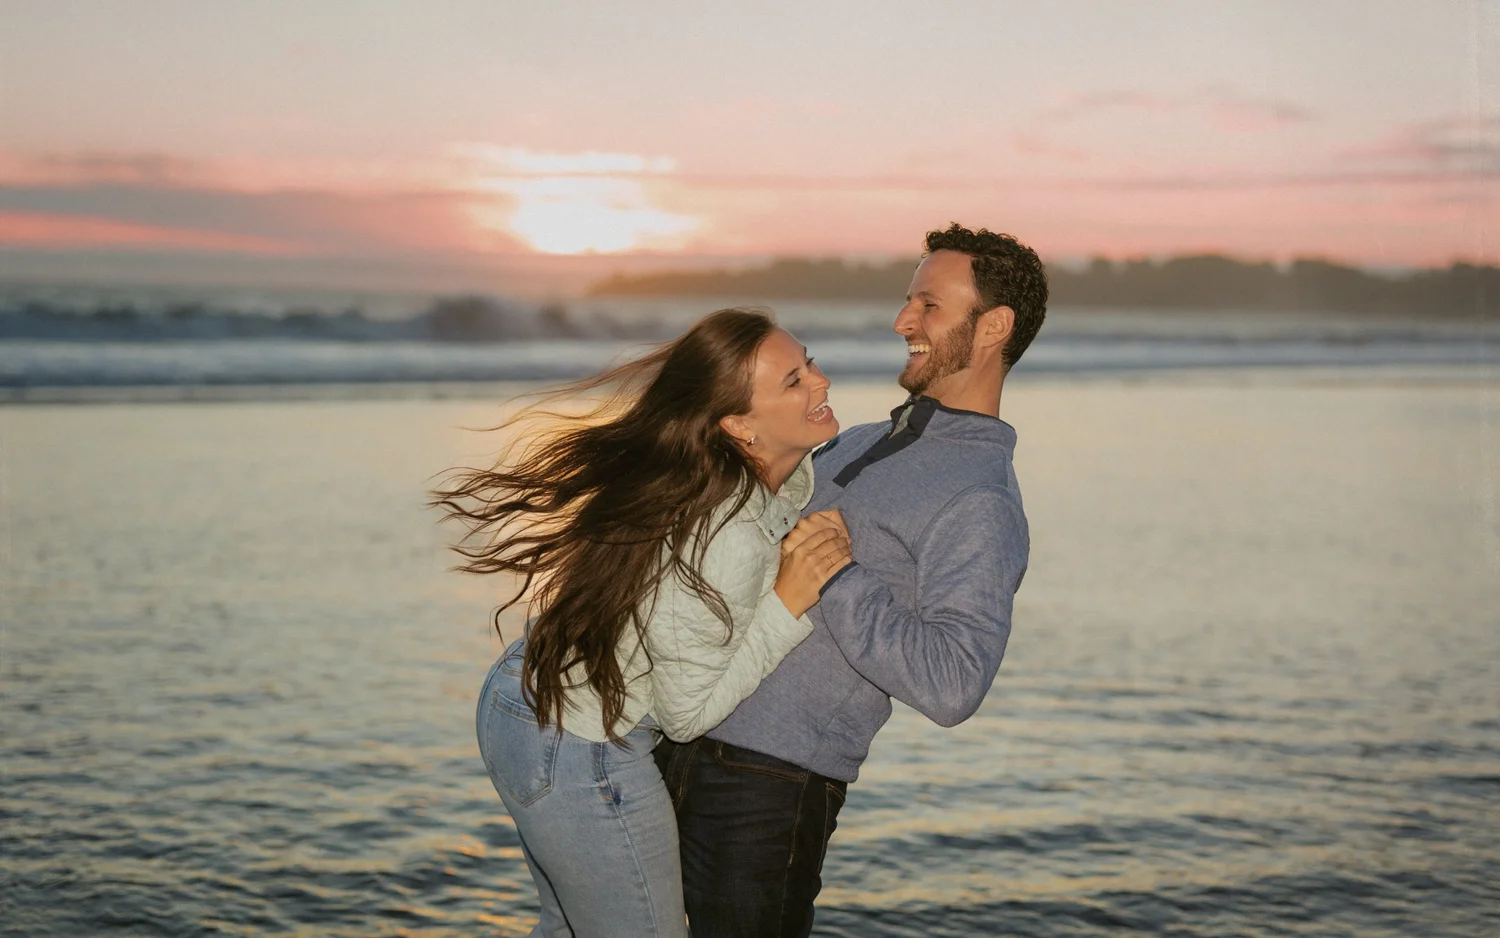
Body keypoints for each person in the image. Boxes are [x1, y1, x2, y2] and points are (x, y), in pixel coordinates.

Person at [654, 224, 1048, 937]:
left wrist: (838, 573)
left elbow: (953, 682)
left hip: (769, 790)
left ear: (993, 327)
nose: (904, 321)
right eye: (908, 302)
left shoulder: (980, 498)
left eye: (929, 305)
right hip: (669, 741)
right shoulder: (859, 439)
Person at [431, 308, 853, 938]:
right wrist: (789, 599)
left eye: (808, 361)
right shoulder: (727, 529)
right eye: (793, 381)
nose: (820, 382)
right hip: (578, 743)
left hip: (527, 700)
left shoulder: (731, 474)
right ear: (738, 424)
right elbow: (687, 715)